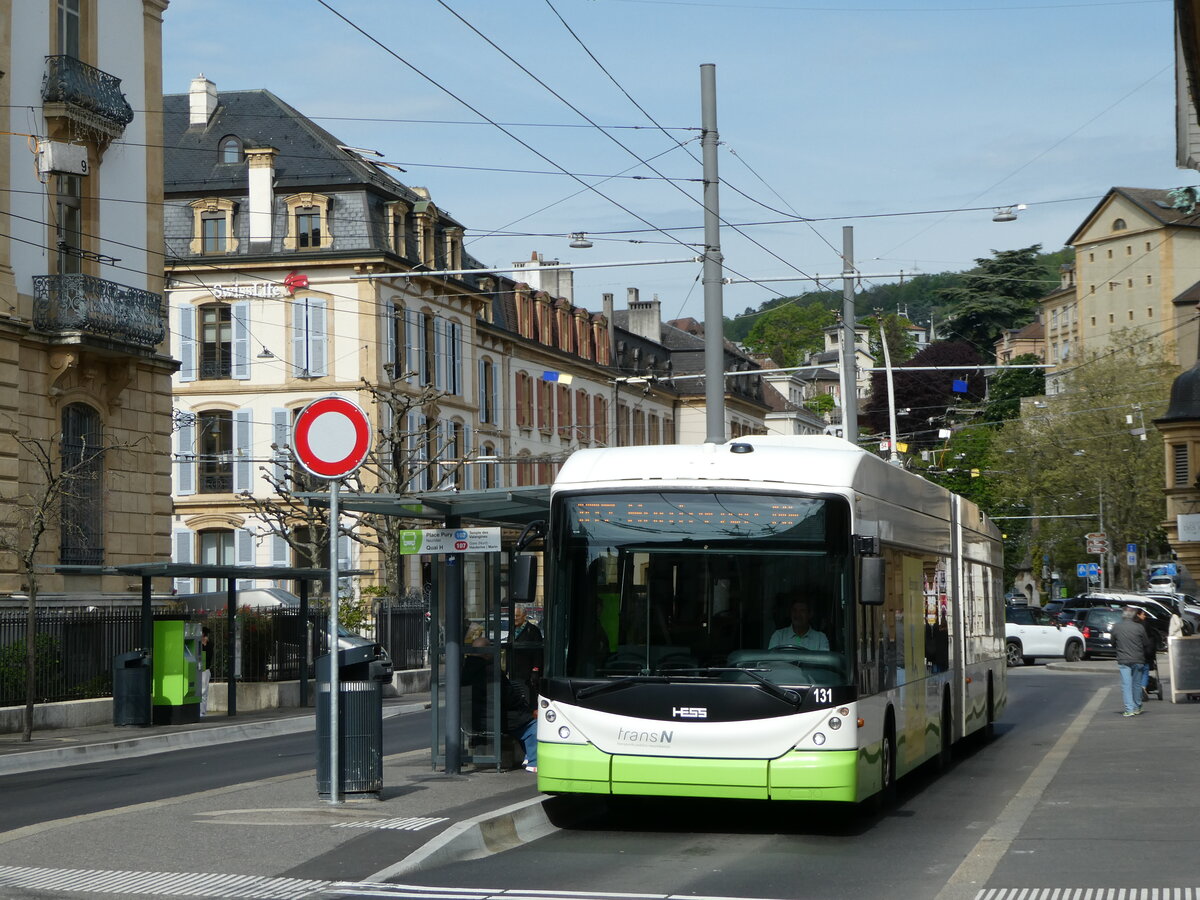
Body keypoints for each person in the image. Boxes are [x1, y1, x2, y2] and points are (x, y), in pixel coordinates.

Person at [1112, 606, 1152, 717]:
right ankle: (1137, 706)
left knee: (1126, 684)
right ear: (1134, 615)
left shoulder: (1116, 627)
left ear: (1122, 615)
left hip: (1123, 659)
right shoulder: (1139, 627)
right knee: (1136, 684)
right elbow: (1146, 643)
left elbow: (1113, 643)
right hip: (1138, 659)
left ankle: (1129, 709)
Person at [508, 605, 543, 699]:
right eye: (513, 616)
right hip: (514, 670)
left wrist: (535, 670)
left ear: (524, 616)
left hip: (527, 671)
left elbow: (538, 652)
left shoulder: (533, 630)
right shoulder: (511, 629)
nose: (515, 618)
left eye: (517, 616)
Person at [1136, 609, 1159, 702]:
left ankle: (1138, 688)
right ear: (1138, 615)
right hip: (1146, 652)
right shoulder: (1145, 625)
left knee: (1138, 671)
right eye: (1143, 614)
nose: (1144, 616)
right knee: (1145, 670)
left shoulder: (1134, 625)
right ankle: (1143, 687)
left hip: (1136, 653)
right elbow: (1150, 639)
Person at [199, 627, 212, 718]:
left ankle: (202, 711)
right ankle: (201, 711)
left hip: (205, 670)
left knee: (203, 691)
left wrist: (204, 645)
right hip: (199, 669)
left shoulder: (209, 645)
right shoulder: (198, 644)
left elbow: (208, 657)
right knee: (201, 691)